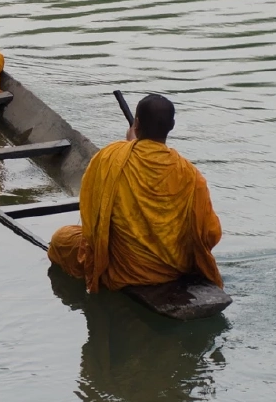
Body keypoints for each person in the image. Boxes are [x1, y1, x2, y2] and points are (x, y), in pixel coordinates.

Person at [48, 94, 223, 292]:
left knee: (60, 239)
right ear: (172, 125)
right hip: (174, 269)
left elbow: (91, 219)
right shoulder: (190, 173)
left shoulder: (111, 156)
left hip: (123, 269)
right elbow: (210, 234)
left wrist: (128, 146)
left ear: (136, 124)